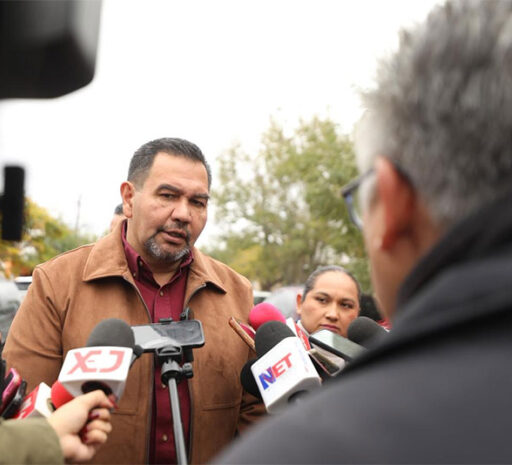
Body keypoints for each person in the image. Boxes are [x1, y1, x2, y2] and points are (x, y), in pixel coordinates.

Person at [217, 1, 512, 462]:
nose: (334, 313)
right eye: (322, 300)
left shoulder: (303, 450)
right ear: (301, 302)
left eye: (346, 303)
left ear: (392, 204)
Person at [4, 137, 264, 464]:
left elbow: (255, 418)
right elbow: (21, 413)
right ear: (129, 198)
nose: (183, 214)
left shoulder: (237, 293)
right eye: (167, 196)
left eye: (198, 202)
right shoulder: (56, 283)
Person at [294, 265, 361, 338]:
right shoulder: (284, 342)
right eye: (322, 300)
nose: (333, 315)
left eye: (345, 305)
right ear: (300, 303)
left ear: (357, 313)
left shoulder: (363, 345)